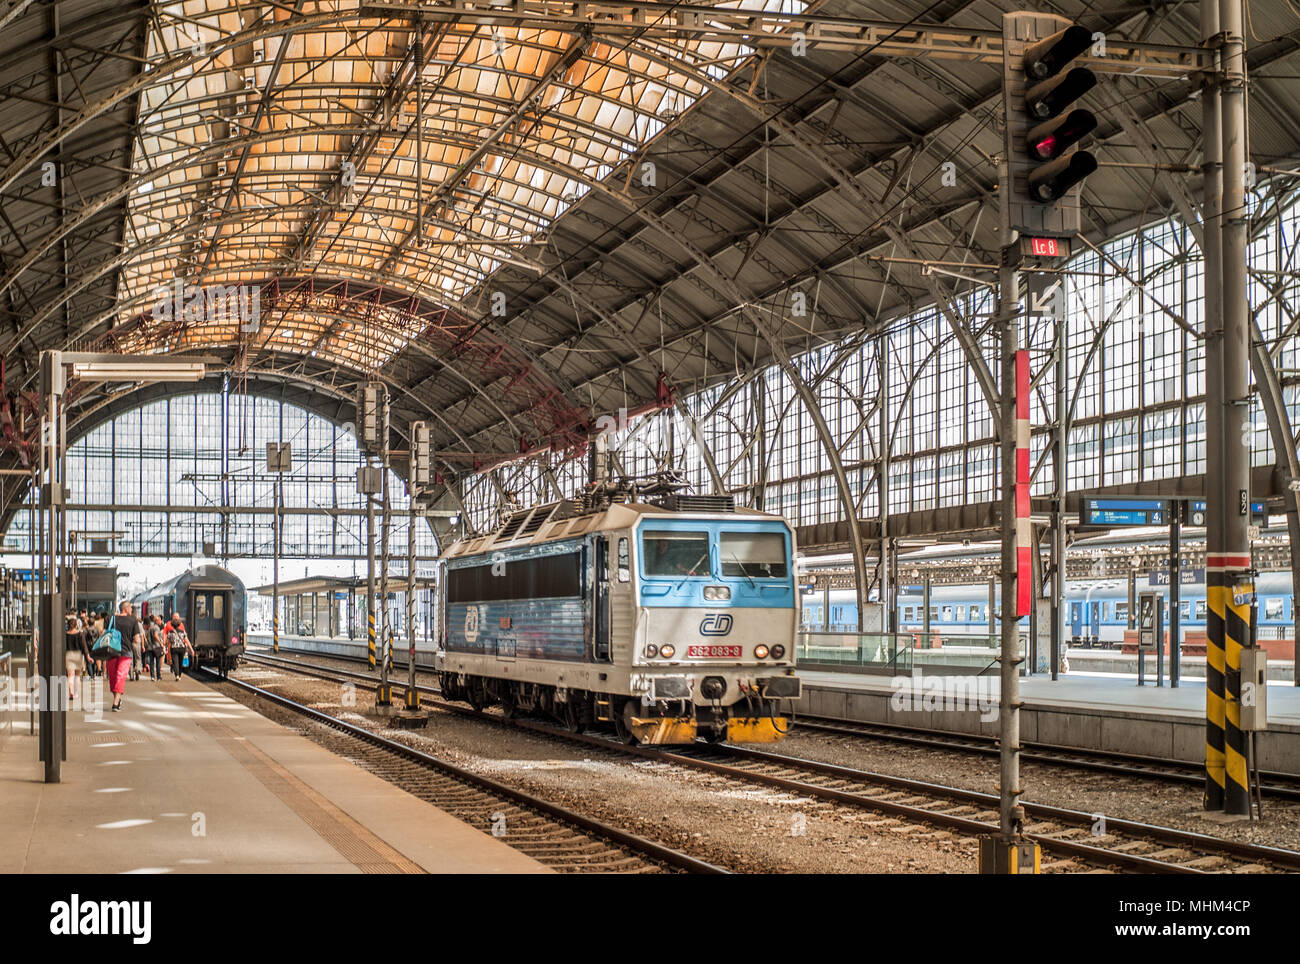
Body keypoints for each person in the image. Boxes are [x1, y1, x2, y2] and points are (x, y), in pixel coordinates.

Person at [107, 600, 142, 712]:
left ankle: (116, 701)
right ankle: (117, 701)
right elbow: (136, 639)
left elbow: (103, 633)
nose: (132, 610)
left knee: (113, 677)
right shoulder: (133, 621)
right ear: (126, 609)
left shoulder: (111, 619)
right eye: (131, 608)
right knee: (120, 676)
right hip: (126, 652)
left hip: (111, 652)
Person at [64, 613, 88, 702]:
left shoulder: (65, 634)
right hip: (78, 655)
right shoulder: (80, 634)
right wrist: (87, 656)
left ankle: (71, 692)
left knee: (70, 675)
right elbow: (84, 646)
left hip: (68, 655)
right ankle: (76, 692)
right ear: (76, 625)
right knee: (77, 675)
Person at [143, 614, 165, 682]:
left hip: (150, 647)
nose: (160, 622)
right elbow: (156, 635)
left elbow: (146, 636)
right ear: (157, 621)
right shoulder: (156, 628)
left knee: (151, 663)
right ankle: (158, 676)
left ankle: (152, 676)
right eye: (159, 620)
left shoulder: (150, 627)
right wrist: (161, 643)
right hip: (156, 647)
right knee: (158, 662)